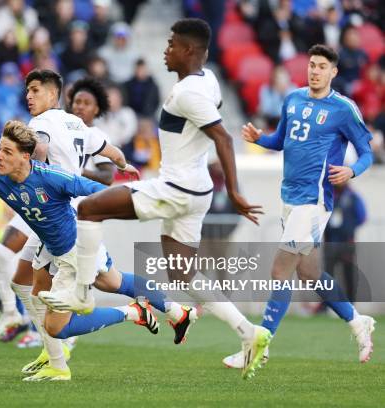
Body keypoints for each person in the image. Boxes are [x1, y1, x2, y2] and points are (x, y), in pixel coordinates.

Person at [37, 18, 270, 380]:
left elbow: (223, 138)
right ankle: (248, 333)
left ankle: (82, 293)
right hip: (197, 191)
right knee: (182, 273)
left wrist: (237, 191)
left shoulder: (187, 93)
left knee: (88, 209)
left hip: (176, 188)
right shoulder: (208, 80)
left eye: (172, 44)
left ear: (189, 51)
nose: (166, 50)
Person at [0, 121, 190, 381]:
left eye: (7, 152)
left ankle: (131, 313)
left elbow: (99, 193)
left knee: (56, 325)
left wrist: (149, 200)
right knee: (56, 284)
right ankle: (56, 358)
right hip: (50, 247)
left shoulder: (52, 177)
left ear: (25, 156)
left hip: (75, 251)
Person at [222, 44, 375, 369]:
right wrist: (260, 139)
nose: (315, 70)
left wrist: (352, 170)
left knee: (280, 270)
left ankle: (258, 345)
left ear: (333, 72)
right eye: (312, 65)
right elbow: (281, 141)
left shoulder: (343, 109)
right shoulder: (292, 99)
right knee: (309, 273)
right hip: (289, 198)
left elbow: (367, 152)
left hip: (315, 200)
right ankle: (357, 321)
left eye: (322, 66)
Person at [0, 69, 135, 345]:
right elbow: (114, 153)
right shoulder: (79, 127)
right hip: (63, 206)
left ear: (53, 94)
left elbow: (40, 148)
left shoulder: (43, 123)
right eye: (28, 91)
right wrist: (126, 166)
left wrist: (27, 175)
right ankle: (35, 330)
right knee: (25, 276)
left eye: (35, 90)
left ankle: (62, 329)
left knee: (105, 282)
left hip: (56, 207)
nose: (28, 96)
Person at [68, 76, 115, 185]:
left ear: (96, 109)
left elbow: (108, 177)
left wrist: (79, 170)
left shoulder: (98, 136)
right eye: (77, 102)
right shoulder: (61, 130)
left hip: (82, 199)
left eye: (87, 103)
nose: (80, 106)